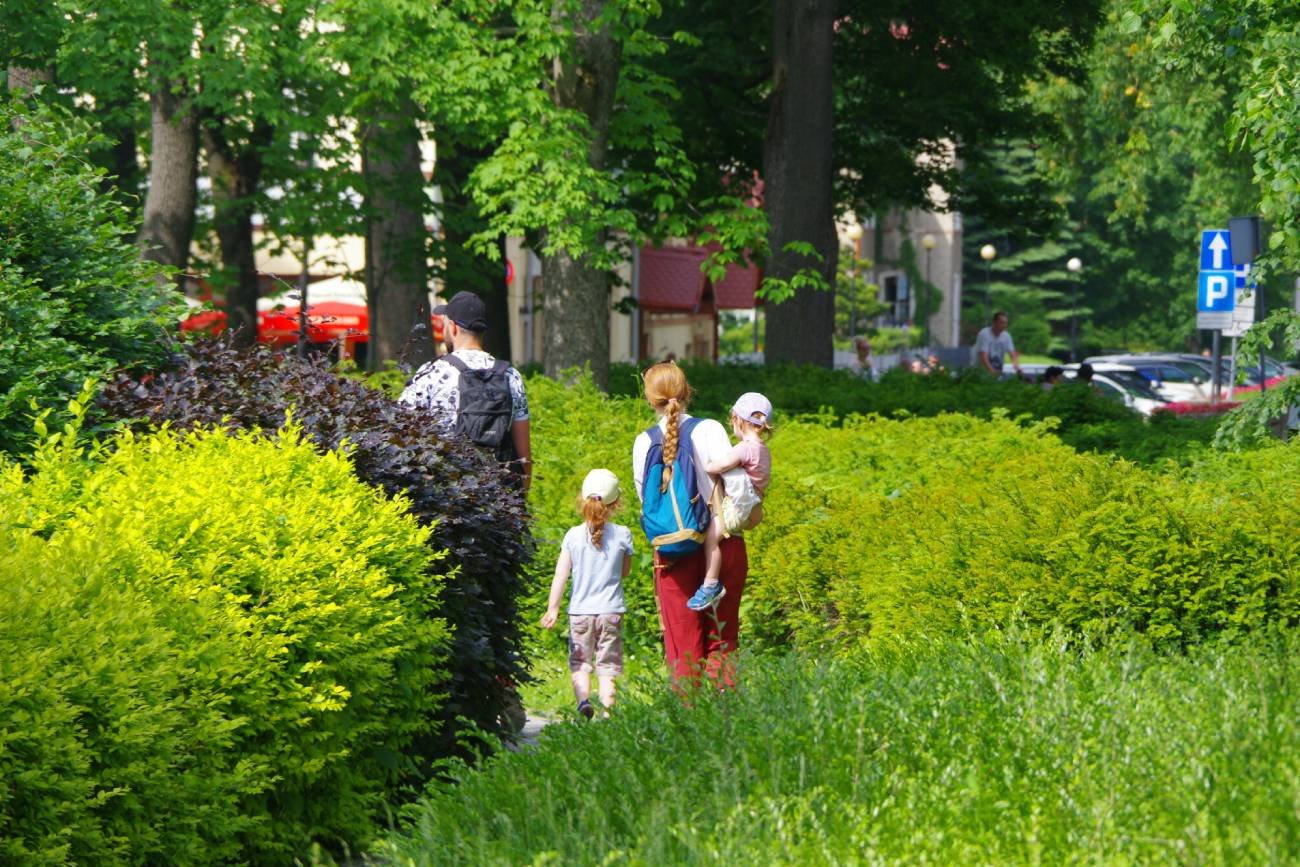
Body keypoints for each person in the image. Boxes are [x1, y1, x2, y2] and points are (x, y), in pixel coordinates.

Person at [632, 361, 748, 686]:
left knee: (682, 645)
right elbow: (736, 486)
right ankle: (723, 720)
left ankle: (688, 720)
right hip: (723, 544)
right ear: (686, 392)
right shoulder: (709, 429)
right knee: (723, 637)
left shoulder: (644, 442)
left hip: (673, 550)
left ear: (649, 399)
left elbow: (648, 502)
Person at [399, 291, 532, 491]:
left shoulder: (431, 373)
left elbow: (400, 434)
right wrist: (521, 500)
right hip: (498, 499)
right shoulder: (511, 376)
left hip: (447, 498)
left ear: (452, 327)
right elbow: (524, 459)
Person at [540, 469, 633, 719]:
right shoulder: (623, 534)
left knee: (581, 663)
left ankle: (583, 701)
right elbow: (625, 572)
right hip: (611, 611)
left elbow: (561, 575)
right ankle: (608, 712)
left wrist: (553, 608)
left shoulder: (572, 535)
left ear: (582, 500)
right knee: (608, 666)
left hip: (580, 612)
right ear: (616, 503)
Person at [690, 393, 773, 611]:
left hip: (738, 509)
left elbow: (720, 465)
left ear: (738, 420)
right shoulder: (764, 450)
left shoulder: (745, 448)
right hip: (754, 508)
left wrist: (707, 466)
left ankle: (710, 584)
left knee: (711, 538)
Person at [975, 311, 1022, 377]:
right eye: (1002, 323)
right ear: (994, 322)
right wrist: (992, 372)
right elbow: (983, 356)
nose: (1004, 326)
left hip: (997, 371)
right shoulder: (984, 334)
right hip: (981, 373)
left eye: (1006, 323)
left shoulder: (1006, 336)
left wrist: (1017, 367)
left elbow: (1012, 354)